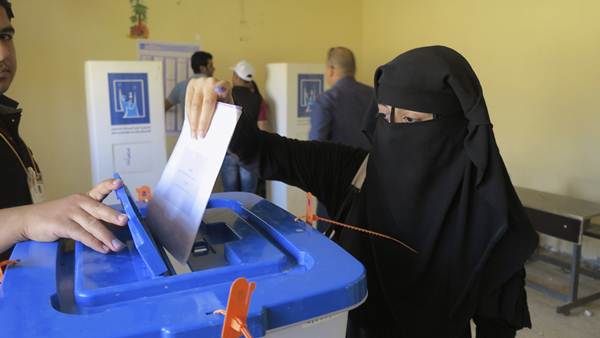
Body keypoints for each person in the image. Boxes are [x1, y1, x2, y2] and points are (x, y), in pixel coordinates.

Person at [185, 46, 539, 338]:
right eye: (384, 117)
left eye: (410, 121)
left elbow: (498, 329)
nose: (393, 131)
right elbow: (264, 152)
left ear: (454, 127)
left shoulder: (490, 219)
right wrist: (222, 108)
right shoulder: (356, 173)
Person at [0, 0, 128, 263]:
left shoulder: (6, 120)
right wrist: (25, 220)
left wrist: (69, 216)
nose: (3, 52)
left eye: (5, 36)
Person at [309, 47, 375, 231]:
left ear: (330, 69)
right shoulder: (374, 96)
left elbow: (316, 147)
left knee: (330, 239)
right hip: (370, 181)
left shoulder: (325, 101)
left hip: (334, 184)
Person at [221, 60, 268, 193]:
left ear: (236, 77)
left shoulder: (225, 97)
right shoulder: (258, 100)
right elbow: (262, 128)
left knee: (231, 195)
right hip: (250, 154)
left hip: (228, 151)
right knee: (249, 196)